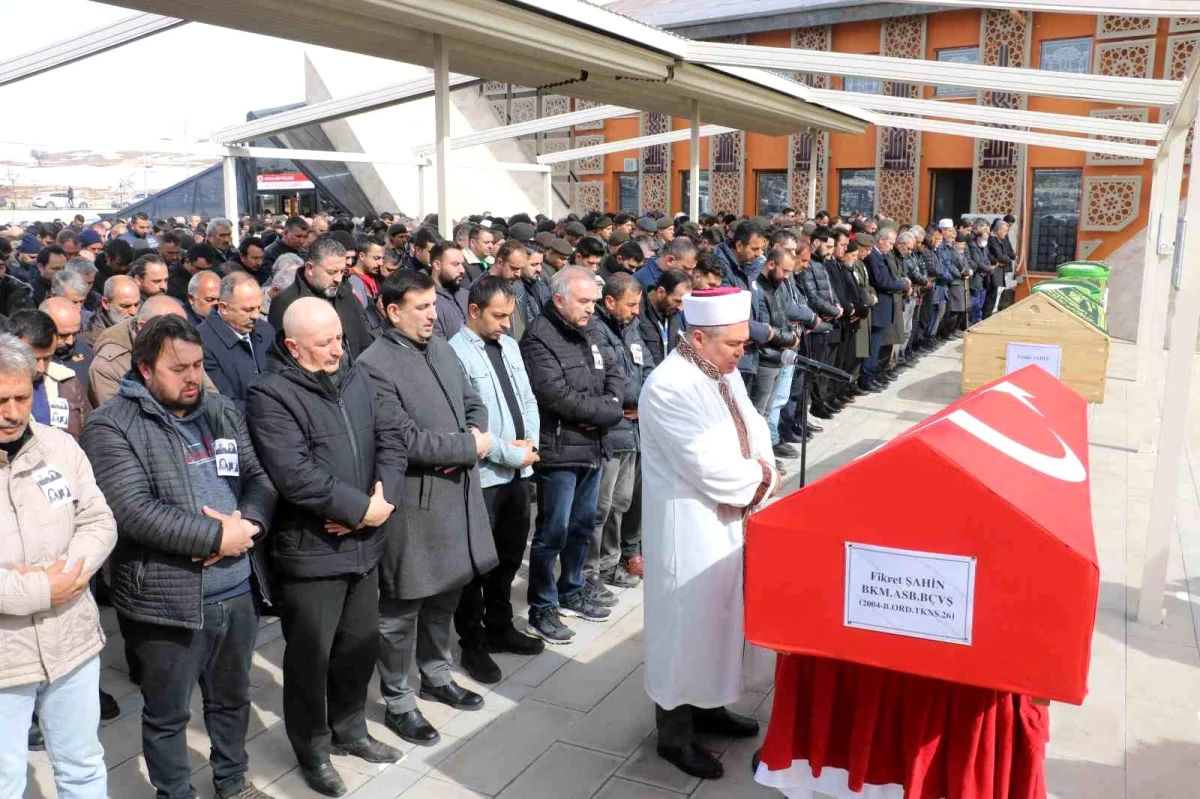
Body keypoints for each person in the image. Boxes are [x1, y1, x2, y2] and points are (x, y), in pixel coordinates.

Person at [81, 316, 276, 799]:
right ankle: (175, 793)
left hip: (237, 590)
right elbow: (135, 512)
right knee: (168, 714)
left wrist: (247, 526)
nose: (192, 377)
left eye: (198, 365)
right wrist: (214, 538)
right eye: (178, 368)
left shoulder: (220, 409)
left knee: (232, 700)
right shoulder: (113, 426)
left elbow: (259, 479)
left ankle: (232, 781)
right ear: (145, 370)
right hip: (166, 599)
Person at [245, 297, 406, 797]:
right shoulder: (269, 394)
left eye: (340, 337)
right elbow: (293, 474)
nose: (339, 349)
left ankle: (350, 729)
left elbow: (392, 439)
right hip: (312, 550)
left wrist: (383, 500)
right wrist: (358, 510)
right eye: (325, 342)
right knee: (311, 658)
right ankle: (312, 747)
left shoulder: (357, 376)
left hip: (364, 542)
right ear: (293, 347)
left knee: (359, 647)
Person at [639, 288, 778, 780]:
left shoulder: (723, 371)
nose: (743, 352)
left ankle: (711, 706)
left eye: (744, 342)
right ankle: (674, 734)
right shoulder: (669, 386)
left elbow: (756, 427)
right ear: (698, 337)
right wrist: (764, 477)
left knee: (722, 619)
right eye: (733, 344)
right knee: (686, 628)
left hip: (732, 518)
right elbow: (707, 467)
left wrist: (761, 467)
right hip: (690, 527)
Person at [358, 269, 497, 742]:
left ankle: (436, 676)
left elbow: (473, 401)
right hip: (416, 509)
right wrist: (467, 447)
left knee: (446, 597)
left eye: (433, 305)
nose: (432, 315)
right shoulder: (374, 363)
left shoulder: (440, 345)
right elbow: (404, 439)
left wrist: (474, 435)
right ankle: (398, 699)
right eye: (421, 307)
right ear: (392, 311)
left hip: (456, 496)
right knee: (400, 611)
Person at [0, 334, 116, 799]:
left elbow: (98, 518)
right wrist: (40, 591)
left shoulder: (60, 447)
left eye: (21, 398)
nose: (10, 412)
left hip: (72, 642)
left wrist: (70, 571)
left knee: (83, 765)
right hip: (6, 657)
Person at [519, 266, 624, 643]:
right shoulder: (538, 338)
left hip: (593, 447)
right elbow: (555, 396)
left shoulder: (591, 330)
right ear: (559, 299)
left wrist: (609, 405)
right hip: (560, 449)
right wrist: (607, 412)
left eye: (594, 302)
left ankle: (572, 589)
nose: (592, 309)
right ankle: (542, 606)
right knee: (553, 531)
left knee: (583, 526)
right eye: (584, 301)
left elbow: (614, 372)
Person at [449, 275, 545, 675]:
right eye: (499, 316)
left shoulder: (508, 345)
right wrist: (512, 454)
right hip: (486, 475)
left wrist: (531, 445)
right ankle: (471, 642)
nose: (507, 324)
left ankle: (501, 626)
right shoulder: (455, 354)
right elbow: (467, 426)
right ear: (474, 311)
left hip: (518, 473)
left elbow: (527, 397)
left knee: (508, 556)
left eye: (510, 315)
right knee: (477, 565)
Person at [588, 272, 651, 591]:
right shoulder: (596, 331)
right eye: (631, 305)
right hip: (612, 431)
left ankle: (612, 563)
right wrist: (637, 398)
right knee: (601, 505)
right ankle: (591, 570)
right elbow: (613, 381)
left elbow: (648, 367)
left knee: (621, 502)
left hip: (633, 430)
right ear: (609, 302)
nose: (637, 311)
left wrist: (647, 399)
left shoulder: (632, 327)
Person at [89, 295, 218, 408]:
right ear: (143, 328)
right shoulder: (108, 365)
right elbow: (116, 420)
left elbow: (213, 399)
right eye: (178, 369)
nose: (180, 335)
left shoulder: (184, 346)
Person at [267, 235, 375, 361]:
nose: (338, 279)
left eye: (342, 272)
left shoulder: (346, 295)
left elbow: (364, 343)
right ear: (310, 268)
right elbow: (283, 358)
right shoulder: (286, 303)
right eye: (331, 272)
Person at [8, 310, 92, 441]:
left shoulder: (66, 382)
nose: (40, 368)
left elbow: (90, 434)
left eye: (47, 358)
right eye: (34, 359)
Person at [199, 274, 274, 412]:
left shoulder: (266, 330)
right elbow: (224, 402)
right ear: (223, 308)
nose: (255, 316)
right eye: (248, 310)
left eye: (258, 308)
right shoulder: (202, 342)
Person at [41, 296, 93, 388]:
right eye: (63, 335)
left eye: (75, 333)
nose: (70, 341)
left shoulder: (87, 352)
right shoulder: (26, 359)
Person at [83, 274, 140, 347]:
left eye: (136, 304)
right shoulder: (94, 340)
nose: (133, 312)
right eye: (125, 306)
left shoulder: (144, 326)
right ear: (106, 303)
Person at [429, 242, 469, 340]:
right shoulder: (427, 301)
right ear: (437, 265)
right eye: (456, 264)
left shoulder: (466, 295)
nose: (462, 270)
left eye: (462, 264)